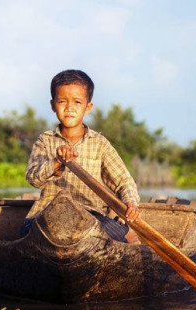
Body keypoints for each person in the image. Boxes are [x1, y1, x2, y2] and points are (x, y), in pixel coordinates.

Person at [21, 69, 140, 243]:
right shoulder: (45, 140)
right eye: (62, 101)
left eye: (77, 102)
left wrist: (130, 203)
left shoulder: (99, 143)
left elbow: (124, 181)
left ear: (88, 107)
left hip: (90, 216)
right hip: (46, 213)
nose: (69, 108)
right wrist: (56, 162)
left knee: (120, 232)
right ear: (53, 105)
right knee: (26, 230)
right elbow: (33, 178)